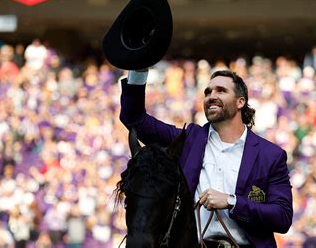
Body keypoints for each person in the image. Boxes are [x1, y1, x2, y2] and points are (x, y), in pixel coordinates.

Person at [120, 69, 293, 247]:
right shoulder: (188, 140)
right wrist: (139, 69)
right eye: (208, 92)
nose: (211, 96)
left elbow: (283, 217)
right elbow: (135, 119)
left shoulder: (270, 155)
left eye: (221, 90)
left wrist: (231, 202)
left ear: (240, 102)